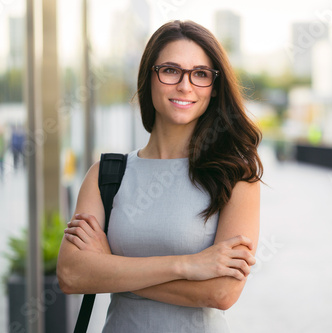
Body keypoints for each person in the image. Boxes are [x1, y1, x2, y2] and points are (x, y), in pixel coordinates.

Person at [57, 20, 263, 332]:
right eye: (170, 70)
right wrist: (188, 265)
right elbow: (72, 275)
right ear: (149, 77)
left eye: (201, 74)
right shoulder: (106, 175)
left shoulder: (236, 177)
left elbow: (220, 293)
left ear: (214, 87)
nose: (185, 85)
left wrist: (109, 266)